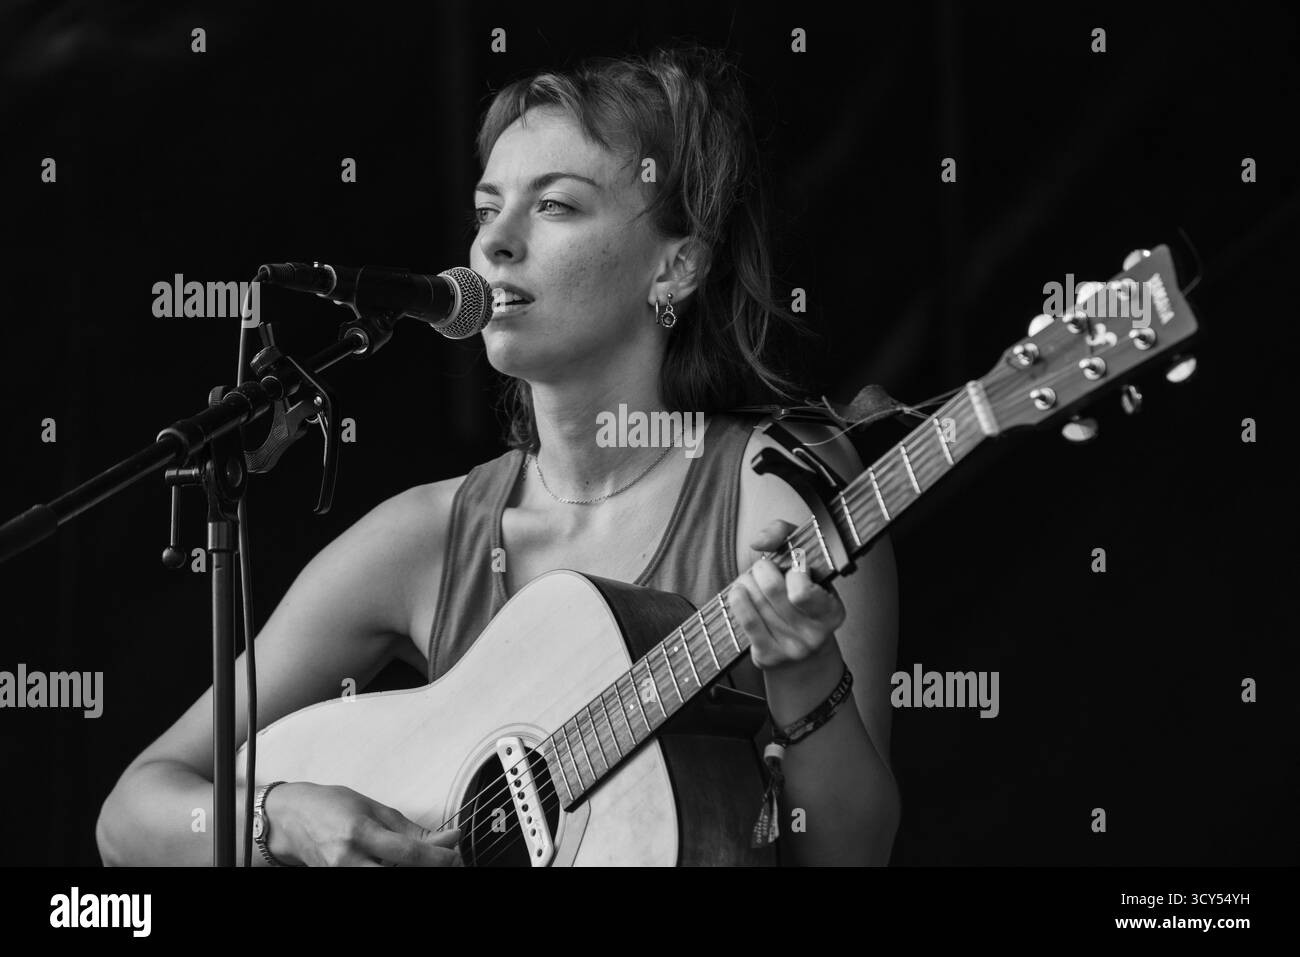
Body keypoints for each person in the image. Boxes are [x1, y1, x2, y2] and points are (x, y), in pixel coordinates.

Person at [96, 43, 900, 867]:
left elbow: (851, 855)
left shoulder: (776, 498)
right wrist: (273, 818)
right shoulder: (431, 535)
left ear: (677, 264)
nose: (495, 247)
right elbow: (133, 812)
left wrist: (803, 670)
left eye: (553, 206)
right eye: (487, 211)